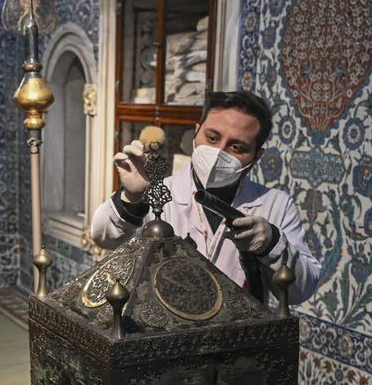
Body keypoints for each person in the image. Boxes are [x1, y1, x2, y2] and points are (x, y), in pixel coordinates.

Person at [89, 91, 320, 308]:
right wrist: (131, 197)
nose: (219, 152)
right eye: (212, 137)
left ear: (257, 155)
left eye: (236, 146)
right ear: (196, 131)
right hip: (162, 336)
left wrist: (272, 244)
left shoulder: (276, 205)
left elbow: (300, 291)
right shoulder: (160, 193)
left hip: (235, 339)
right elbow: (104, 237)